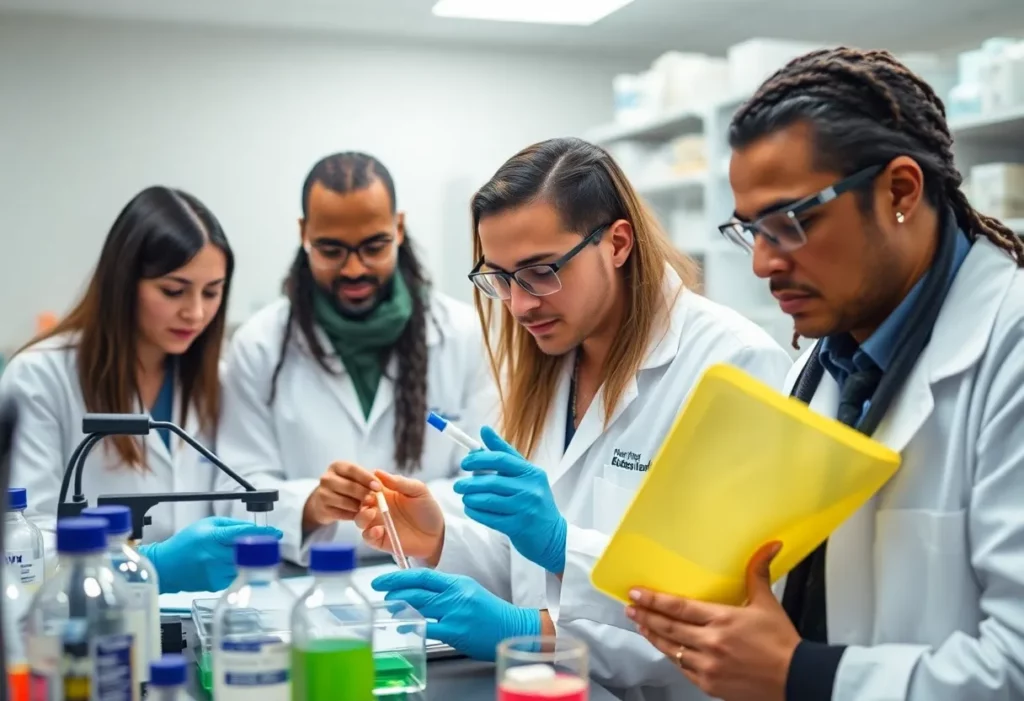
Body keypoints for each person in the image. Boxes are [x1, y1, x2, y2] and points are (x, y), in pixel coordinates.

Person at [623, 47, 1024, 701]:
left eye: (790, 222)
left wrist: (800, 674)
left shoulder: (1009, 347)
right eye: (751, 230)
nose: (762, 263)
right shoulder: (822, 365)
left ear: (899, 192)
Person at [334, 137, 793, 699]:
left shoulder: (734, 364)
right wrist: (441, 539)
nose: (520, 304)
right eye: (500, 278)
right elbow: (525, 569)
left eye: (540, 271)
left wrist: (536, 626)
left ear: (617, 243)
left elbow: (724, 606)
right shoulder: (550, 362)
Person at [214, 152, 495, 564]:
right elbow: (234, 496)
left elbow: (487, 481)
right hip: (303, 583)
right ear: (304, 233)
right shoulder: (258, 346)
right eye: (331, 250)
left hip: (436, 577)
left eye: (373, 247)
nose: (353, 269)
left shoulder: (465, 334)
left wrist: (409, 513)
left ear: (398, 228)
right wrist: (310, 506)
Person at [0, 186, 281, 594]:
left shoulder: (214, 381)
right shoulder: (39, 377)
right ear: (124, 283)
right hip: (91, 618)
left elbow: (236, 495)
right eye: (173, 290)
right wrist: (147, 565)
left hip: (197, 618)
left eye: (212, 291)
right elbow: (21, 544)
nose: (196, 312)